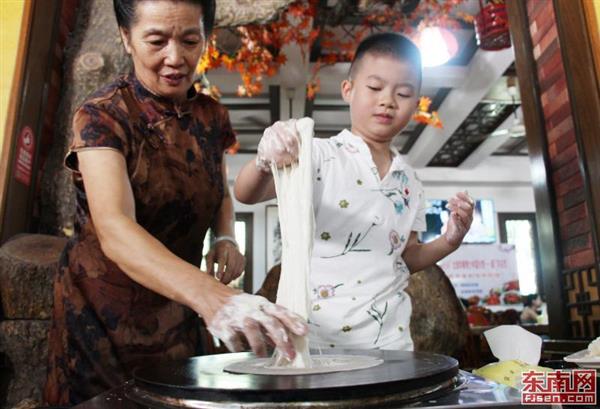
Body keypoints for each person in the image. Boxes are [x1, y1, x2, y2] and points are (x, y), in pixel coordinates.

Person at [44, 0, 306, 405]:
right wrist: (213, 296)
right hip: (102, 314)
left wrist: (225, 237)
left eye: (189, 40)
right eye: (156, 40)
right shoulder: (102, 116)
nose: (175, 58)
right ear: (125, 38)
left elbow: (216, 188)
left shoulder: (212, 116)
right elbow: (114, 228)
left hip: (179, 305)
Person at [235, 33, 474, 351]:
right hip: (318, 341)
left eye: (403, 93)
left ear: (416, 104)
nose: (387, 101)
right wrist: (264, 160)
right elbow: (246, 194)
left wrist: (449, 241)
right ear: (348, 90)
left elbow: (406, 258)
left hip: (391, 344)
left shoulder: (410, 182)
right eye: (375, 88)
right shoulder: (319, 154)